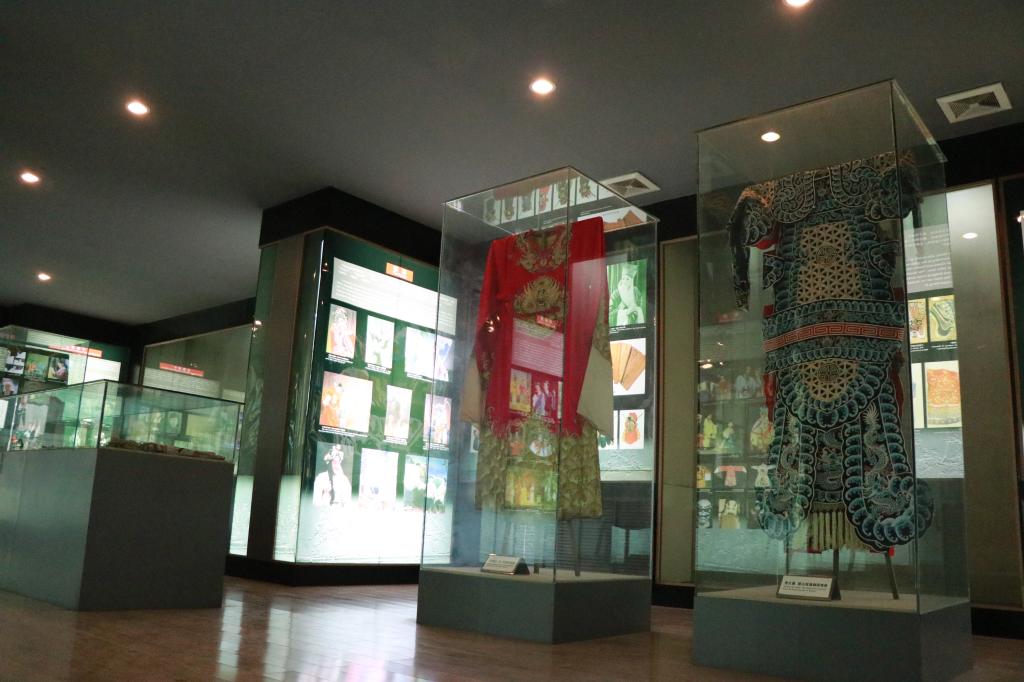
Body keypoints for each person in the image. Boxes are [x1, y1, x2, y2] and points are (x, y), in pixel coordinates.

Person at [312, 444, 352, 508]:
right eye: (334, 462)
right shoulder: (320, 478)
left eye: (338, 462)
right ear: (329, 462)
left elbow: (348, 504)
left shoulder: (344, 480)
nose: (337, 465)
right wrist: (325, 493)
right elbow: (315, 503)